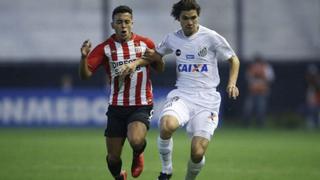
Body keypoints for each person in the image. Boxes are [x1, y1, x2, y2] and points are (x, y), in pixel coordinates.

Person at [144, 0, 240, 179]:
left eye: (193, 18)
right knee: (167, 125)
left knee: (197, 153)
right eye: (185, 18)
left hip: (207, 100)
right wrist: (137, 61)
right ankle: (166, 171)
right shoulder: (172, 38)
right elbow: (156, 56)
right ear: (178, 19)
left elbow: (234, 59)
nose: (190, 22)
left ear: (198, 17)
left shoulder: (211, 37)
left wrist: (232, 83)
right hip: (183, 95)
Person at [79, 5, 164, 180]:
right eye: (119, 22)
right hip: (117, 107)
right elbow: (85, 75)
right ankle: (120, 176)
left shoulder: (145, 43)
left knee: (136, 140)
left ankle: (137, 153)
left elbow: (160, 68)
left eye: (126, 22)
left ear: (132, 23)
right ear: (113, 25)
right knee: (113, 158)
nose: (123, 26)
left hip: (141, 104)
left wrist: (157, 58)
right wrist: (83, 57)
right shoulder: (105, 49)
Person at [242, 55, 274, 128]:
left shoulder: (266, 68)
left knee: (261, 108)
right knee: (248, 108)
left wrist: (261, 73)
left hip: (262, 92)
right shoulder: (251, 68)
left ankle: (260, 124)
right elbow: (248, 80)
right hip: (252, 92)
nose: (257, 65)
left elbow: (270, 80)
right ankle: (246, 124)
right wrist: (254, 72)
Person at [305, 64, 320, 129]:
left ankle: (316, 124)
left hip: (317, 97)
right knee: (311, 111)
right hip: (312, 97)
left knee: (317, 112)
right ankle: (311, 125)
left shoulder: (317, 80)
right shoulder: (308, 81)